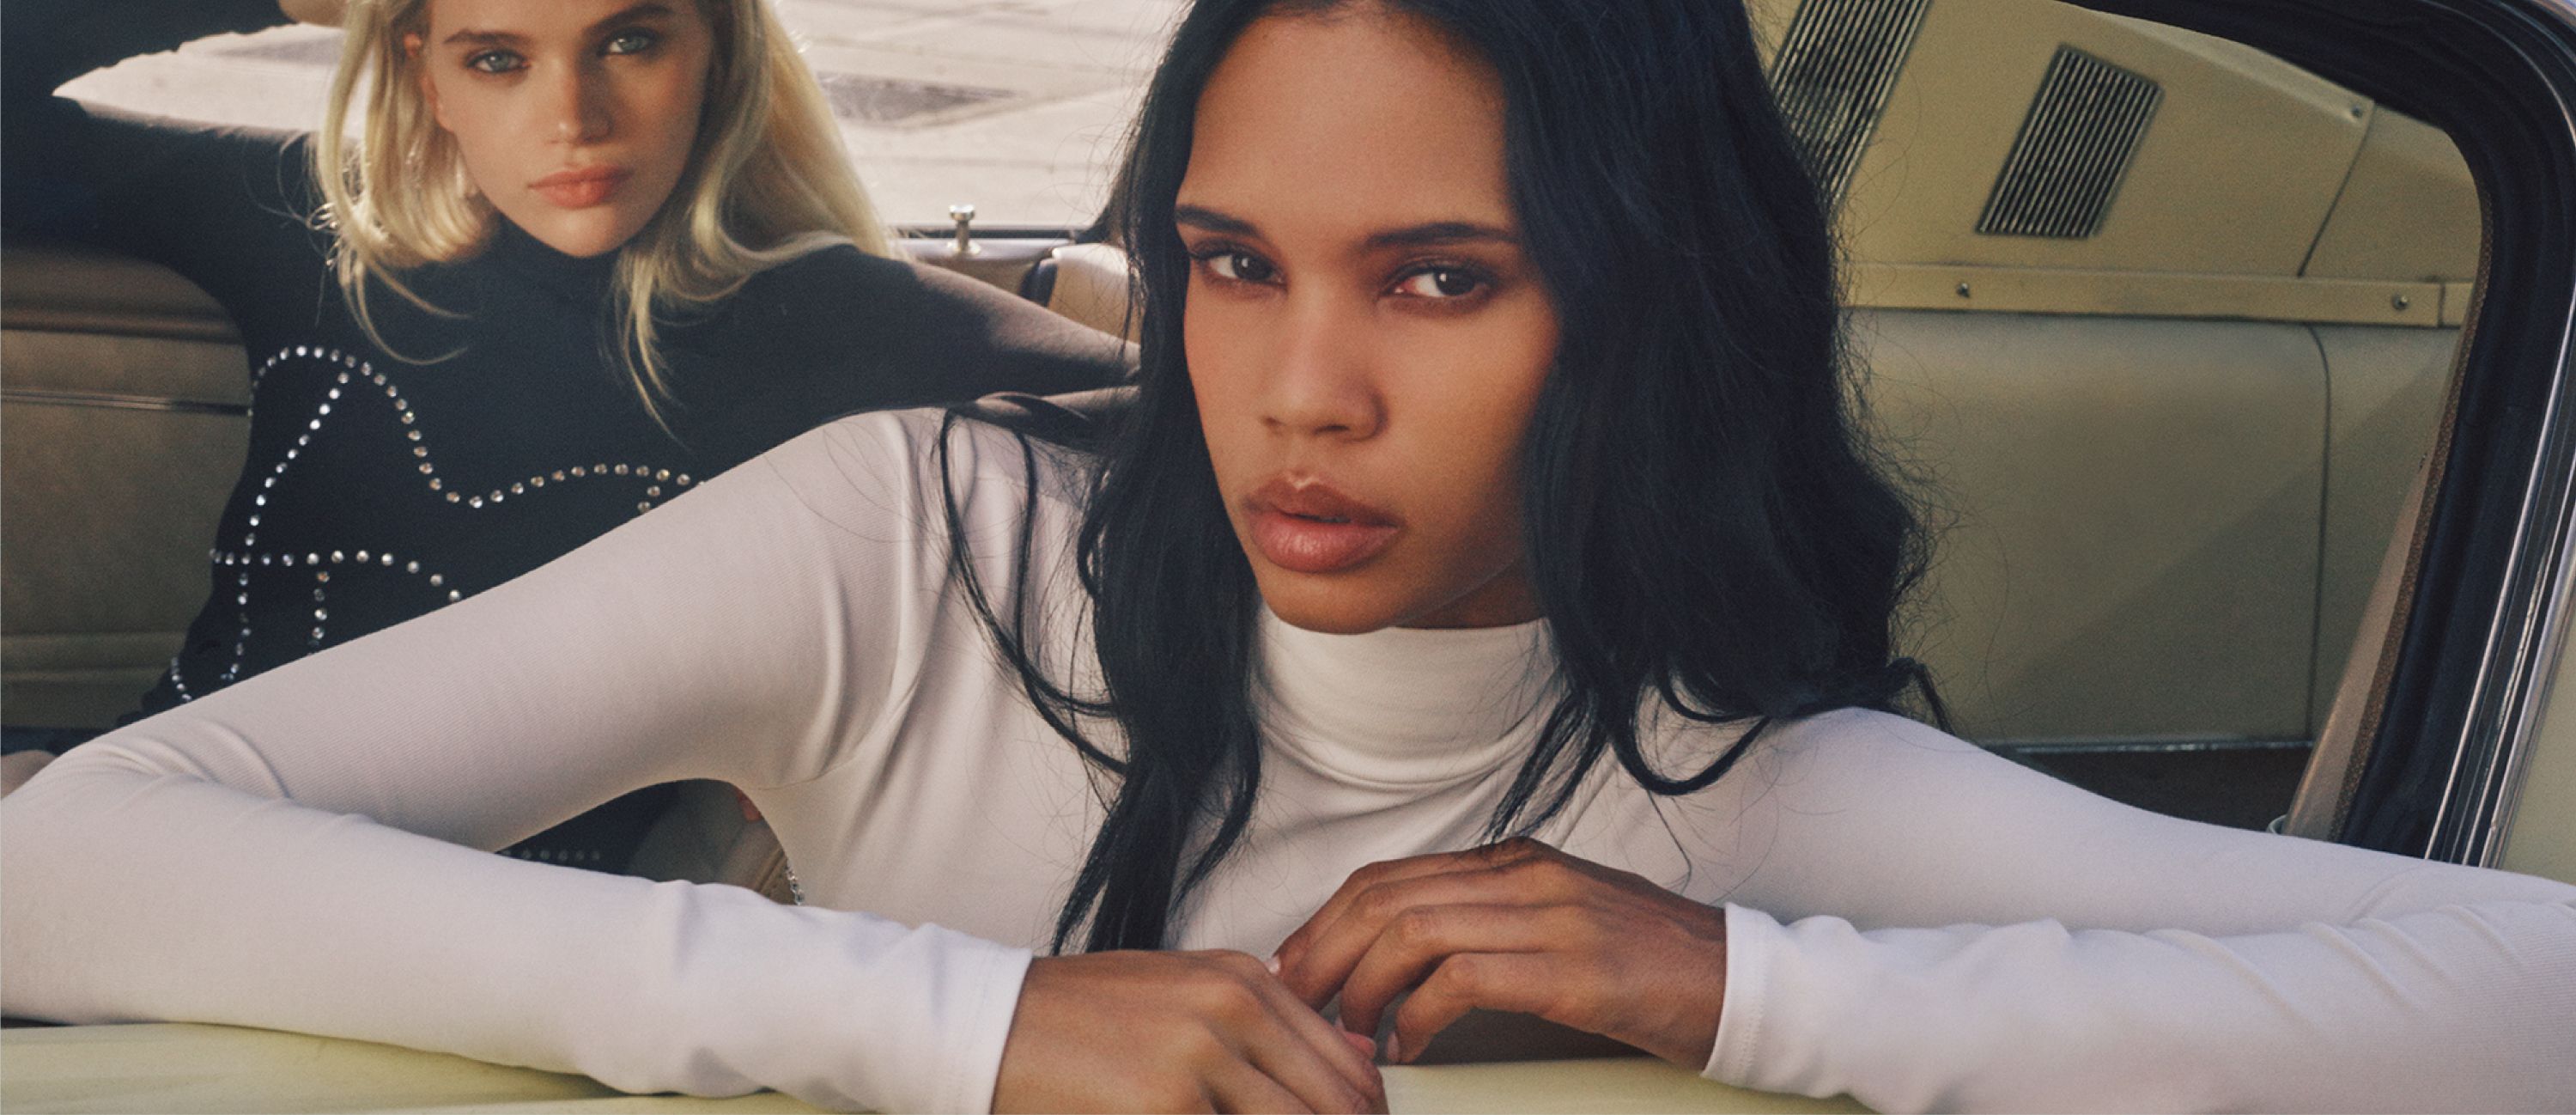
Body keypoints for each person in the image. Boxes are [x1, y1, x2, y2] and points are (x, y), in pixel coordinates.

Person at [7, 0, 2575, 1111]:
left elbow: (2533, 991)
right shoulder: (917, 542)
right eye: (1231, 262)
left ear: (1641, 312)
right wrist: (954, 1024)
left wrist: (1747, 991)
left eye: (1439, 279)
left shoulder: (1729, 788)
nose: (1296, 390)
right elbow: (65, 858)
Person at [0, 0, 1132, 869]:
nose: (573, 118)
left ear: (720, 51)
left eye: (630, 40)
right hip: (129, 835)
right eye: (497, 56)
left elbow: (1175, 435)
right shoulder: (319, 231)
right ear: (425, 75)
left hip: (481, 947)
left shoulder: (837, 321)